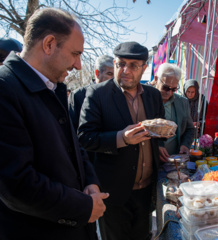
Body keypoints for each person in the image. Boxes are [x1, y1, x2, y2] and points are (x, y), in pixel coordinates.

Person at [0, 8, 109, 240]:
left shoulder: (51, 86)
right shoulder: (5, 89)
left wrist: (91, 182)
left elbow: (74, 147)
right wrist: (83, 207)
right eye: (75, 53)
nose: (79, 65)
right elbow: (15, 183)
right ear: (49, 44)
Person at [78, 41, 165, 240]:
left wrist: (160, 140)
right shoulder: (97, 94)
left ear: (144, 68)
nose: (125, 70)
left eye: (133, 65)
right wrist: (121, 138)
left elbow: (156, 131)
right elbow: (84, 137)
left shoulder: (153, 95)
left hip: (146, 192)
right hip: (114, 193)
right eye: (120, 64)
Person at [154, 63, 194, 162]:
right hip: (150, 161)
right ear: (156, 79)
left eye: (174, 89)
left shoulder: (183, 102)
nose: (169, 93)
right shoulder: (145, 99)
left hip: (174, 160)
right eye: (165, 88)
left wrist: (185, 145)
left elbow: (189, 129)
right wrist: (157, 146)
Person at [69, 55, 114, 130]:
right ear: (97, 73)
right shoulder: (78, 95)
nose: (114, 79)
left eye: (115, 75)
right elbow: (72, 129)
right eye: (109, 74)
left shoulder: (118, 94)